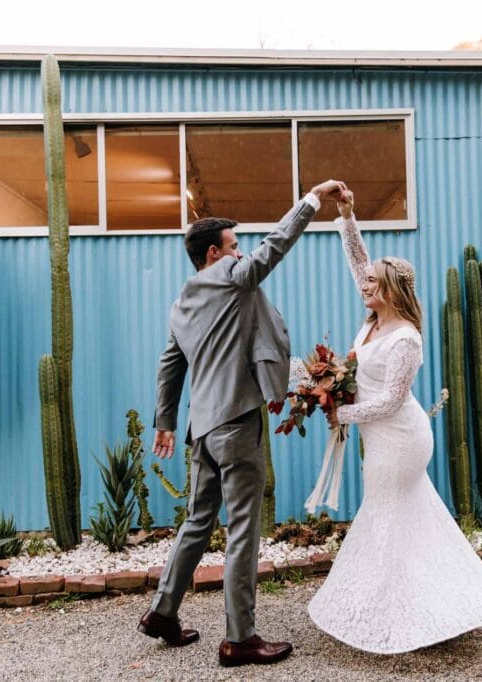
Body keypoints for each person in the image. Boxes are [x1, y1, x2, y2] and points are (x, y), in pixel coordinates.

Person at [139, 179, 348, 667]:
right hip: (236, 422)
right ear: (214, 253)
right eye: (234, 247)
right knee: (242, 531)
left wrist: (165, 422)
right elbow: (275, 247)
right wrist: (311, 200)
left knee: (197, 521)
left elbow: (170, 366)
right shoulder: (232, 277)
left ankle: (163, 611)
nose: (242, 253)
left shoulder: (181, 304)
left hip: (203, 429)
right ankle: (240, 638)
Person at [309, 190, 482, 654]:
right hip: (379, 437)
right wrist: (346, 215)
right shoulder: (371, 322)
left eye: (374, 283)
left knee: (386, 515)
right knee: (409, 516)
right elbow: (359, 260)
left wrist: (341, 411)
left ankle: (401, 609)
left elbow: (388, 402)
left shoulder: (406, 339)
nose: (365, 286)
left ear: (393, 290)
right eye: (364, 281)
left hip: (401, 437)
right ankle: (451, 598)